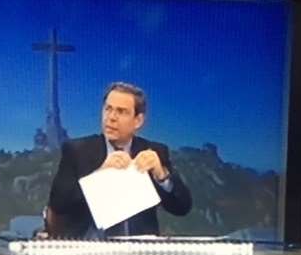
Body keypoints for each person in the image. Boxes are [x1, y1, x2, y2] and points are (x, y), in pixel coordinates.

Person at [45, 82, 192, 238]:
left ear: (138, 120)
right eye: (108, 109)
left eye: (121, 111)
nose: (111, 118)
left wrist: (162, 175)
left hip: (140, 249)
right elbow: (59, 204)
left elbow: (182, 207)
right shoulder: (77, 151)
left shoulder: (154, 151)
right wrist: (99, 174)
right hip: (90, 247)